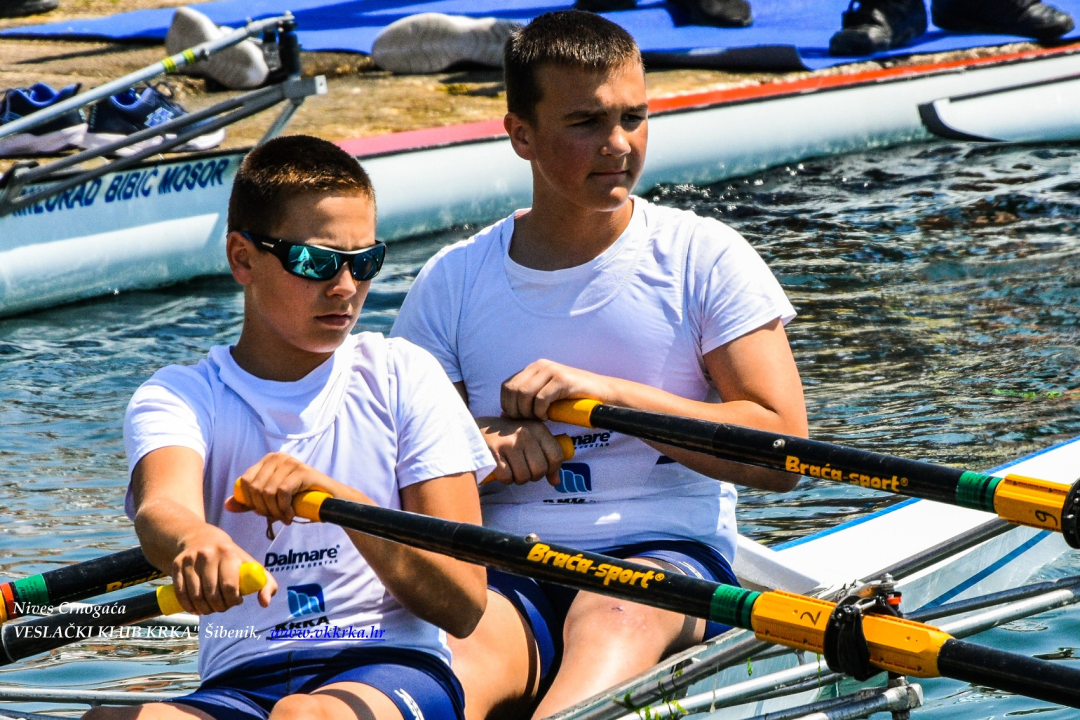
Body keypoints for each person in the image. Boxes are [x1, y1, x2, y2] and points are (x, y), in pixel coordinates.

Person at [391, 10, 807, 719]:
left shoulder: (704, 257)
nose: (618, 145)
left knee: (616, 614)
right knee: (456, 661)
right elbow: (398, 472)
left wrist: (613, 394)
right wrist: (479, 456)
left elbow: (783, 452)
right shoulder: (451, 280)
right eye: (585, 121)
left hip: (660, 557)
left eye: (635, 117)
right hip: (505, 564)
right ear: (520, 134)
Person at [85, 135, 495, 720]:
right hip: (241, 678)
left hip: (387, 665)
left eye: (366, 262)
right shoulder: (180, 395)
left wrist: (338, 502)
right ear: (242, 258)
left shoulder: (403, 375)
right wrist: (195, 540)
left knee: (304, 717)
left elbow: (464, 603)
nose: (346, 287)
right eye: (317, 262)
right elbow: (162, 510)